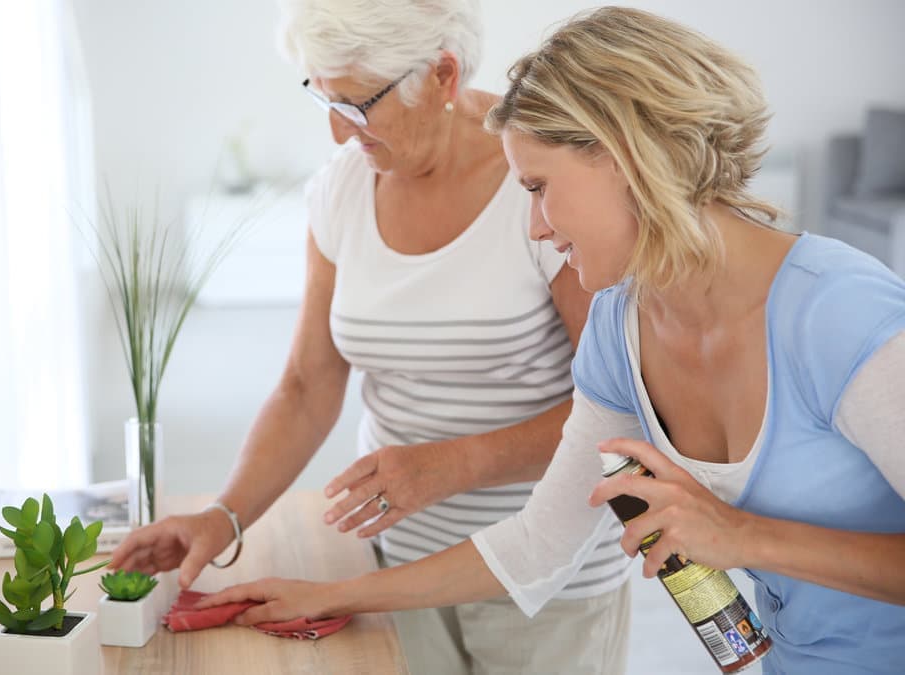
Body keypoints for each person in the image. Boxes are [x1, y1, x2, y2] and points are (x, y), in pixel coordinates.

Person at [197, 7, 905, 675]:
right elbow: (539, 542)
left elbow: (734, 538)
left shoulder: (835, 312)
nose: (534, 225)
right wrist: (329, 594)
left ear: (624, 159)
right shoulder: (622, 328)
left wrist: (740, 536)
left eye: (539, 187)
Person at [109, 1, 634, 672]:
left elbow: (616, 409)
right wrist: (222, 517)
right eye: (324, 100)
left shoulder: (539, 184)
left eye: (357, 105)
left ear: (442, 76)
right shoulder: (342, 191)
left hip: (546, 578)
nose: (336, 133)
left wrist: (456, 463)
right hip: (395, 563)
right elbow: (307, 384)